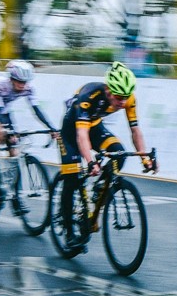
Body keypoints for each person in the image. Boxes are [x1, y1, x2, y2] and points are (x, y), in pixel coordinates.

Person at [57, 61, 157, 252]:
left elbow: (135, 130)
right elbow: (81, 136)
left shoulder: (128, 99)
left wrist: (145, 158)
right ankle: (69, 232)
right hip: (71, 132)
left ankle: (99, 191)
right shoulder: (89, 96)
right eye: (118, 97)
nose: (122, 102)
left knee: (119, 153)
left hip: (94, 126)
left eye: (125, 98)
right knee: (71, 177)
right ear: (108, 91)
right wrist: (90, 161)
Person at [0, 59, 59, 165]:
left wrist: (51, 127)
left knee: (14, 150)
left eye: (25, 82)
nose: (22, 85)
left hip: (5, 113)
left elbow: (36, 109)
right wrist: (6, 130)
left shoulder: (28, 89)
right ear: (12, 79)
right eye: (19, 81)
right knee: (0, 133)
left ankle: (11, 177)